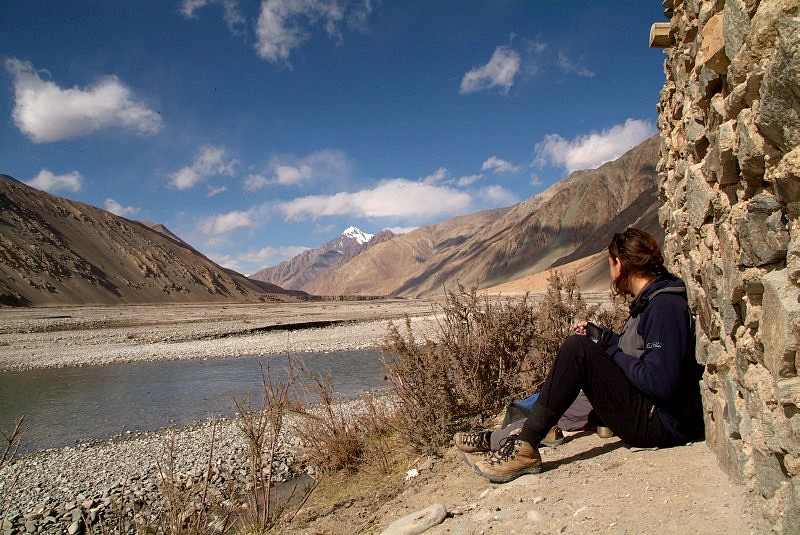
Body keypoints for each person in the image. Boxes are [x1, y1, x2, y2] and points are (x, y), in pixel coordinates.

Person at [457, 227, 705, 483]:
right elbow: (637, 354)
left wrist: (609, 351)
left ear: (619, 264)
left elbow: (660, 383)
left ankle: (525, 447)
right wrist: (605, 338)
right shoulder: (650, 302)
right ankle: (509, 439)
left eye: (610, 264)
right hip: (651, 412)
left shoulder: (664, 307)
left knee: (577, 349)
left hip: (661, 424)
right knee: (573, 378)